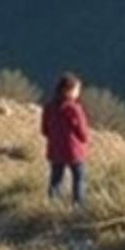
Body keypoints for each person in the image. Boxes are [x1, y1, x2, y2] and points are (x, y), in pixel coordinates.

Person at [40, 72, 89, 205]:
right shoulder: (74, 108)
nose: (78, 92)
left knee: (56, 179)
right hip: (74, 150)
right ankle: (79, 206)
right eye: (77, 89)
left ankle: (53, 205)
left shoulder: (49, 107)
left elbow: (44, 130)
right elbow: (82, 132)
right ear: (68, 90)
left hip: (55, 150)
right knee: (79, 178)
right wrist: (84, 140)